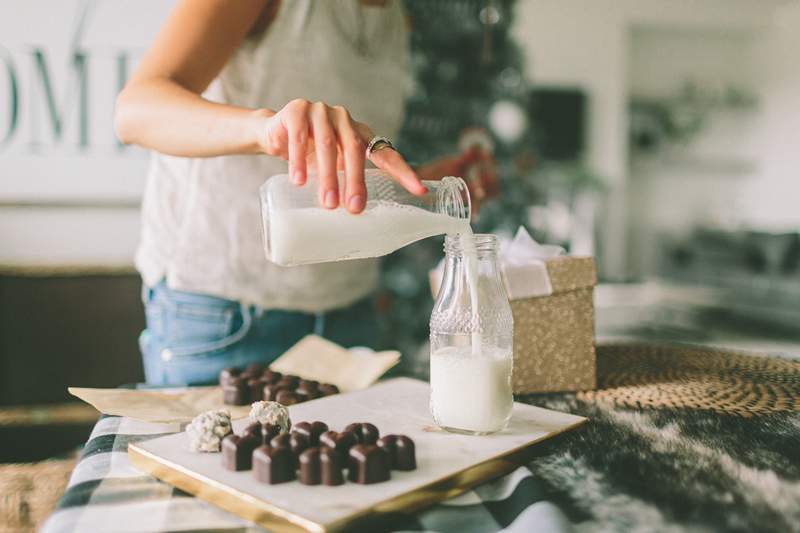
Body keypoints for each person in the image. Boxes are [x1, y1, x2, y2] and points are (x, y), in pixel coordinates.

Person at [115, 0, 493, 386]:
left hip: (349, 315)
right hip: (223, 318)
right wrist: (265, 131)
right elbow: (134, 111)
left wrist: (420, 187)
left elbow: (341, 178)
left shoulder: (395, 13)